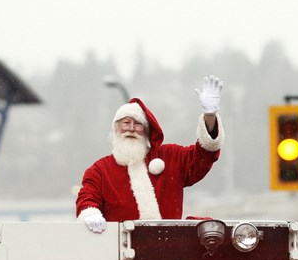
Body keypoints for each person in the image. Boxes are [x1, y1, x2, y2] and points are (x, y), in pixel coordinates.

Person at [76, 75, 225, 232]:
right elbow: (87, 198)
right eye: (125, 123)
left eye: (138, 124)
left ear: (147, 131)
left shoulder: (170, 157)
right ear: (115, 129)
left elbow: (203, 156)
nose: (131, 128)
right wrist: (90, 214)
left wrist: (210, 116)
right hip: (120, 251)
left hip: (168, 249)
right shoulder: (100, 170)